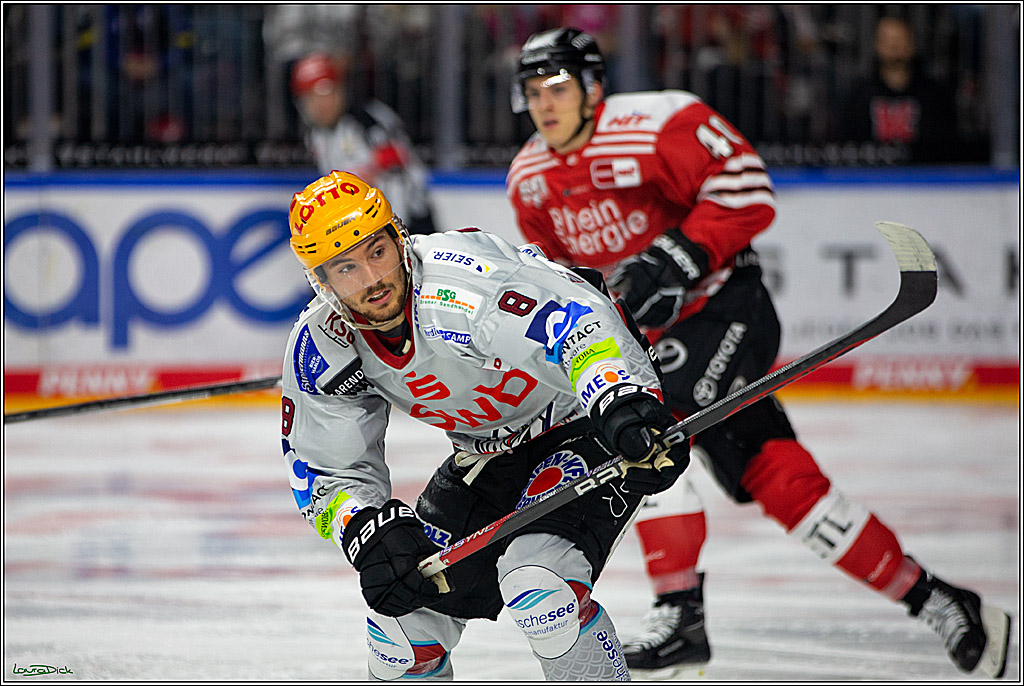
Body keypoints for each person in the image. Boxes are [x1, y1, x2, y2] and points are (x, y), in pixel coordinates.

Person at [505, 27, 1010, 679]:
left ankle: (681, 612)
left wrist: (679, 256)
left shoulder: (659, 122)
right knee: (785, 482)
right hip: (651, 345)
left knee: (640, 435)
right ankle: (942, 600)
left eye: (557, 88)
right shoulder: (529, 180)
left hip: (724, 308)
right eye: (532, 93)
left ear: (593, 87)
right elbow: (566, 279)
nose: (544, 105)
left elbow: (746, 186)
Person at [279, 170, 692, 680]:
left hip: (584, 421)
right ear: (319, 282)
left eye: (377, 251)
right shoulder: (322, 346)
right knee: (402, 635)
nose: (372, 279)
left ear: (399, 235)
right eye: (345, 268)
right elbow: (323, 470)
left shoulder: (459, 288)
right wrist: (362, 528)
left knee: (540, 586)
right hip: (485, 454)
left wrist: (622, 398)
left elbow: (573, 321)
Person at [290, 53, 437, 235]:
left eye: (328, 93)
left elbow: (399, 178)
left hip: (404, 227)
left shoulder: (367, 122)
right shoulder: (316, 135)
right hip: (365, 231)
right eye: (312, 97)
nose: (322, 104)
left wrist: (393, 232)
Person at [837, 15, 960, 164]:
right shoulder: (859, 95)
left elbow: (948, 146)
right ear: (877, 44)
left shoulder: (934, 95)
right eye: (888, 40)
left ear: (912, 44)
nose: (894, 46)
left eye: (900, 39)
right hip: (871, 181)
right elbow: (848, 146)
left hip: (924, 180)